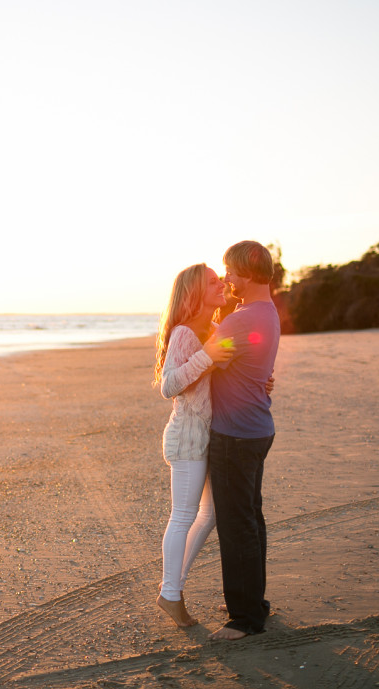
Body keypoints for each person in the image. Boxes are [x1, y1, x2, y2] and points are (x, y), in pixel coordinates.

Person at [207, 241, 281, 640]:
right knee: (250, 519)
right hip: (255, 428)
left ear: (249, 273)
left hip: (235, 434)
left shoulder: (241, 319)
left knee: (237, 525)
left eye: (231, 271)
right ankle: (253, 601)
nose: (227, 278)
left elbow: (202, 364)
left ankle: (245, 618)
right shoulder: (265, 312)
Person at [153, 263, 233, 628]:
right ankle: (171, 594)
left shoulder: (216, 329)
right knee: (184, 516)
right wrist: (207, 357)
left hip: (209, 436)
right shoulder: (185, 333)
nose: (222, 284)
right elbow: (168, 386)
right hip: (186, 436)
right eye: (213, 282)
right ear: (194, 292)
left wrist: (259, 383)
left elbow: (227, 376)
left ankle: (172, 586)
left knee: (210, 515)